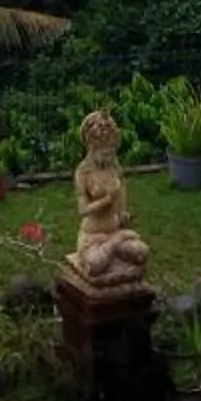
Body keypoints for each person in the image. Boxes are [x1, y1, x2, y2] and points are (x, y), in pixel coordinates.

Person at [65, 107, 150, 289]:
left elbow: (122, 192)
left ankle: (115, 244)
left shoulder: (114, 167)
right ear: (92, 148)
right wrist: (106, 200)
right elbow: (83, 210)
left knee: (142, 252)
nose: (109, 156)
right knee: (95, 265)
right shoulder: (83, 172)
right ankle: (115, 244)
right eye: (105, 152)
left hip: (114, 229)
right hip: (92, 236)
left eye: (111, 151)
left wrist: (123, 214)